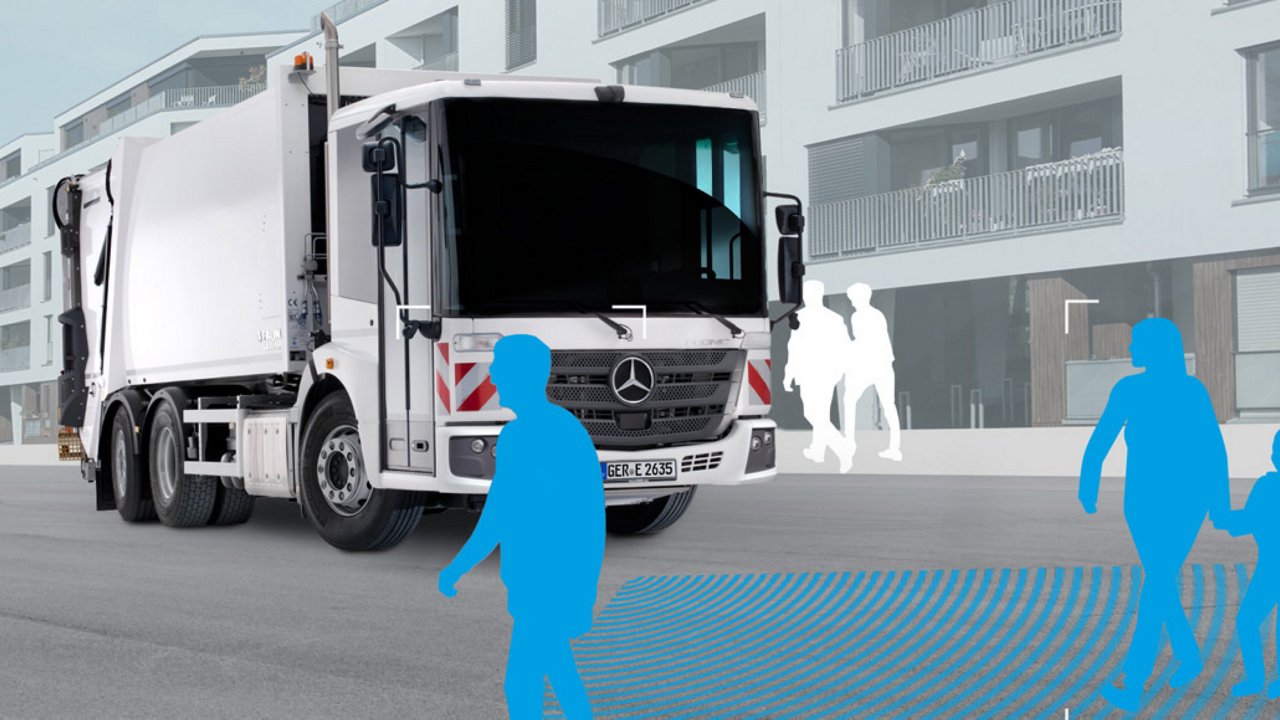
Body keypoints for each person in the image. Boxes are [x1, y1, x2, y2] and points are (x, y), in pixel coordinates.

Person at [439, 334, 604, 719]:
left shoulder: (530, 435)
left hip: (548, 582)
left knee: (523, 682)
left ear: (520, 375)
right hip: (545, 581)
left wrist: (456, 569)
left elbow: (498, 516)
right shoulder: (559, 427)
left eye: (499, 367)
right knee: (558, 673)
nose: (493, 376)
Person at [1078, 318, 1230, 713]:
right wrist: (1088, 480)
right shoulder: (1138, 389)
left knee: (1158, 582)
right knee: (1160, 581)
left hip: (1181, 500)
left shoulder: (1185, 390)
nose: (1130, 348)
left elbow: (1212, 446)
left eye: (1136, 342)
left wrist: (1220, 502)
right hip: (1143, 504)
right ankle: (1189, 656)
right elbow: (1102, 438)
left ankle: (1133, 683)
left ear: (1157, 348)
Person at [1219, 428, 1280, 699]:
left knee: (1247, 621)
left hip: (1270, 567)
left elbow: (1245, 522)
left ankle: (1256, 679)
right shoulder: (1266, 487)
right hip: (1269, 566)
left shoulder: (1266, 486)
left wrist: (1223, 517)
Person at [784, 280, 855, 472]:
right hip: (830, 373)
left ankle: (843, 448)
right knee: (821, 412)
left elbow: (794, 347)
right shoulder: (835, 317)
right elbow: (846, 345)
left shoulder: (800, 316)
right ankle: (817, 451)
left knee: (812, 413)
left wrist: (788, 373)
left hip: (810, 372)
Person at [842, 282, 902, 462]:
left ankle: (850, 443)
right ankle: (895, 448)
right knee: (889, 406)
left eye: (852, 299)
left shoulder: (858, 316)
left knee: (849, 399)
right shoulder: (878, 315)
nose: (851, 303)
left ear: (859, 298)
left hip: (870, 366)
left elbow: (862, 343)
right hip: (884, 365)